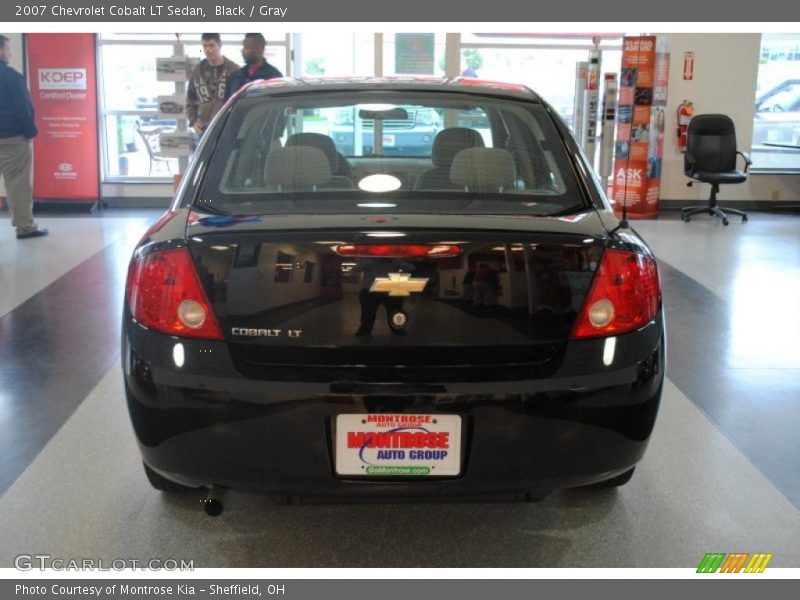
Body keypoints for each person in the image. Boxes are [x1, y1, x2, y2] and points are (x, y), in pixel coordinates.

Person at [0, 35, 47, 239]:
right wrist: (30, 132)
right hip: (11, 138)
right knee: (17, 184)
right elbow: (24, 109)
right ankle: (25, 227)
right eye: (7, 49)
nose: (10, 53)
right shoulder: (10, 77)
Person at [186, 33, 239, 135]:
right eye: (205, 46)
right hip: (204, 131)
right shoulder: (198, 71)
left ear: (219, 45)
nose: (208, 50)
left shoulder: (233, 70)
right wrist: (194, 122)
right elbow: (190, 100)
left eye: (211, 45)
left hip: (227, 129)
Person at [224, 33, 283, 100]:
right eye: (243, 47)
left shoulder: (274, 77)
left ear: (259, 49)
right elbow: (227, 105)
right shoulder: (235, 77)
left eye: (247, 47)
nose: (243, 51)